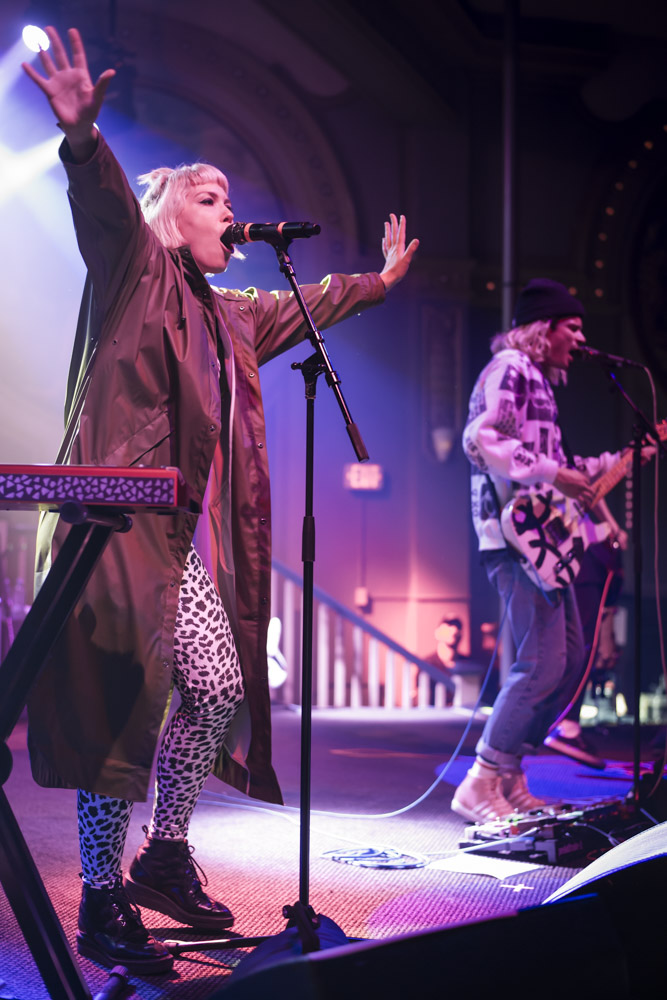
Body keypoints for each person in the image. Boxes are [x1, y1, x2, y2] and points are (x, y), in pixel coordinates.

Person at [22, 27, 418, 975]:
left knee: (219, 683)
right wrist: (82, 138)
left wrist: (379, 283)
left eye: (231, 199)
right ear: (165, 215)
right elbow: (105, 203)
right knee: (120, 705)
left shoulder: (227, 313)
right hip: (105, 525)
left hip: (169, 542)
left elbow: (308, 303)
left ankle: (163, 852)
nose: (229, 211)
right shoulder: (136, 268)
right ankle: (102, 900)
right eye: (209, 197)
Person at [451, 278, 623, 823]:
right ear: (543, 328)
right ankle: (480, 780)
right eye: (571, 326)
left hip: (544, 544)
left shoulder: (540, 382)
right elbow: (483, 440)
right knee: (541, 662)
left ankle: (509, 775)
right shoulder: (511, 370)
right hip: (514, 540)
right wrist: (555, 472)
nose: (580, 336)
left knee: (568, 658)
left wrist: (619, 464)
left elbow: (557, 470)